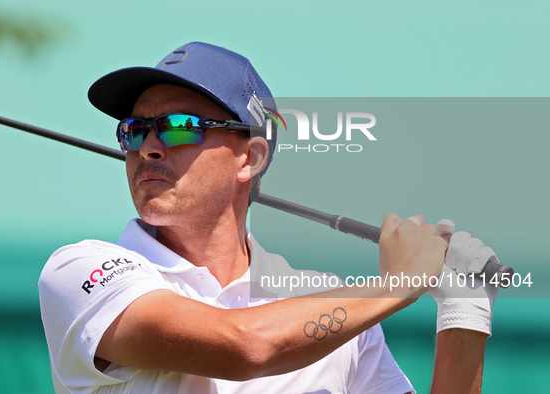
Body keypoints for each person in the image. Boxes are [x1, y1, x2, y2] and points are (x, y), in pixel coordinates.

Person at [39, 41, 498, 394]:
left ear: (250, 158)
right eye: (134, 130)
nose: (148, 148)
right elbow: (245, 346)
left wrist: (465, 313)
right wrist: (400, 283)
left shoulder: (325, 306)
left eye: (180, 127)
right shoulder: (79, 272)